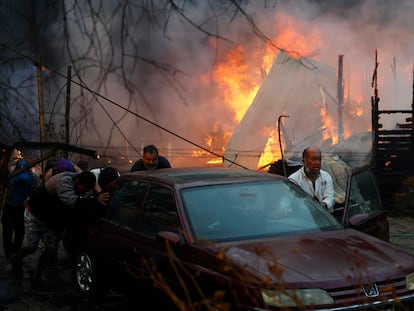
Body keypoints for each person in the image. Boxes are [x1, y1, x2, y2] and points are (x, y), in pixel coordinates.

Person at [10, 171, 96, 285]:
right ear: (77, 181)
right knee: (32, 247)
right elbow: (70, 201)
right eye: (83, 187)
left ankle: (37, 276)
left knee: (51, 249)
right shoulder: (64, 181)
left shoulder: (79, 184)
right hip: (34, 215)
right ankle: (17, 259)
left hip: (49, 221)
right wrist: (94, 201)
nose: (84, 190)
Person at [1, 159, 34, 261]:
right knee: (18, 231)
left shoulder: (15, 175)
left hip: (11, 207)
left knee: (9, 231)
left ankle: (10, 254)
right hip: (18, 207)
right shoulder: (28, 176)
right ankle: (14, 253)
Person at [288, 146, 335, 213]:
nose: (317, 162)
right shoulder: (294, 180)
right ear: (304, 162)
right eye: (313, 159)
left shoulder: (326, 176)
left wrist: (322, 205)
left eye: (319, 159)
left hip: (325, 217)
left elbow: (330, 198)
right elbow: (293, 204)